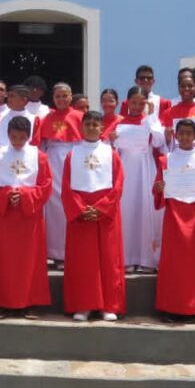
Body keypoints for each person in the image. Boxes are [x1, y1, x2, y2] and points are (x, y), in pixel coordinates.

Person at [0, 116, 53, 318]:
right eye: (13, 137)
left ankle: (29, 302)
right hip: (3, 216)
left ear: (29, 136)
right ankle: (1, 302)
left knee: (29, 261)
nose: (17, 141)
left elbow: (46, 185)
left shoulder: (40, 157)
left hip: (28, 216)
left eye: (21, 137)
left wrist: (25, 195)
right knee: (2, 260)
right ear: (7, 135)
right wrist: (7, 195)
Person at [62, 111, 126, 322]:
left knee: (109, 259)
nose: (91, 127)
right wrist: (81, 209)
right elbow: (66, 186)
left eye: (95, 124)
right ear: (81, 127)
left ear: (102, 128)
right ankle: (84, 305)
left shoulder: (111, 154)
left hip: (105, 214)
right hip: (81, 215)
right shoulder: (72, 154)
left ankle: (109, 305)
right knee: (83, 261)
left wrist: (101, 208)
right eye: (87, 124)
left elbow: (118, 184)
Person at [153, 118, 195, 320]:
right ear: (176, 135)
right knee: (173, 261)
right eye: (181, 133)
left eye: (189, 133)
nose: (185, 137)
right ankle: (171, 306)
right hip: (174, 213)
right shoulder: (166, 160)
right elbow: (157, 187)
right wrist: (159, 188)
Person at [110, 87, 165, 274]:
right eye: (133, 102)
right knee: (126, 211)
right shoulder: (119, 122)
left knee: (145, 210)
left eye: (141, 103)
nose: (136, 107)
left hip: (145, 168)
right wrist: (111, 140)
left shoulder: (149, 121)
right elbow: (109, 147)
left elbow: (159, 142)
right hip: (125, 168)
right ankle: (127, 258)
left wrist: (151, 117)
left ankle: (147, 259)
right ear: (127, 102)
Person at [40, 83, 84, 266]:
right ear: (53, 98)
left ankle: (72, 250)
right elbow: (41, 143)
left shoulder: (79, 116)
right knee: (54, 204)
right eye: (57, 96)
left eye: (64, 96)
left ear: (71, 96)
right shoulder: (47, 118)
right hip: (52, 160)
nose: (61, 99)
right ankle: (56, 252)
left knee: (71, 202)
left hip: (74, 158)